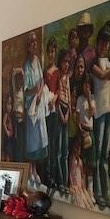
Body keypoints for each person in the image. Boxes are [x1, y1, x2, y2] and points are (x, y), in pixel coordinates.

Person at [91, 20, 110, 209]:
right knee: (98, 154)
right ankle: (98, 192)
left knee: (105, 154)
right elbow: (103, 75)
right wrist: (108, 72)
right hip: (98, 112)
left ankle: (108, 193)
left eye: (107, 43)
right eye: (101, 42)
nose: (104, 46)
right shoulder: (93, 62)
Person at [23, 32, 48, 186]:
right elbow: (26, 90)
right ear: (28, 46)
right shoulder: (26, 65)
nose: (34, 45)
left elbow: (42, 80)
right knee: (32, 140)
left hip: (39, 103)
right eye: (31, 43)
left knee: (39, 138)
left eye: (35, 42)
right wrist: (35, 91)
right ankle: (31, 170)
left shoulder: (37, 61)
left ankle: (35, 170)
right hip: (31, 106)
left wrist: (40, 94)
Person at [76, 76, 96, 202]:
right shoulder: (79, 99)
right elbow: (78, 117)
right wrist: (81, 130)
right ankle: (82, 186)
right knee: (82, 160)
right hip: (82, 131)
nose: (86, 87)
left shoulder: (92, 98)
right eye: (85, 85)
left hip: (90, 131)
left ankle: (90, 189)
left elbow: (93, 113)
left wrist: (89, 97)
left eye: (88, 85)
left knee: (91, 161)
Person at [44, 36, 59, 187]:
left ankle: (53, 175)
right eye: (49, 52)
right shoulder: (44, 72)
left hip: (54, 112)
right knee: (47, 143)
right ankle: (47, 175)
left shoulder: (57, 71)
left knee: (53, 144)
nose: (50, 55)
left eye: (52, 52)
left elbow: (60, 88)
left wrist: (54, 99)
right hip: (46, 112)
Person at [56, 49, 71, 193]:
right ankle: (60, 181)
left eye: (68, 62)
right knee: (59, 150)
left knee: (65, 151)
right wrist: (62, 115)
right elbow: (58, 99)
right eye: (64, 61)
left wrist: (69, 114)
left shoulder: (67, 78)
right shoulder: (58, 76)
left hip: (67, 112)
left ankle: (66, 182)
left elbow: (69, 98)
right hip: (60, 112)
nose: (66, 64)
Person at [69, 136, 95, 210]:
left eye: (79, 149)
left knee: (85, 198)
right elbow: (71, 174)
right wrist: (71, 184)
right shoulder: (72, 159)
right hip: (75, 185)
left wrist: (83, 186)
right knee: (79, 199)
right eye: (76, 148)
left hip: (80, 186)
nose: (77, 151)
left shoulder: (80, 161)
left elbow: (82, 175)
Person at [11, 68, 25, 162]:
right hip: (17, 118)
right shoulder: (15, 90)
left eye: (21, 81)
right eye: (18, 80)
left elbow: (23, 74)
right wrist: (16, 71)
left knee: (22, 142)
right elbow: (13, 76)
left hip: (23, 119)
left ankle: (21, 160)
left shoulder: (23, 91)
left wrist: (21, 71)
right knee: (17, 142)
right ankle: (17, 160)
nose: (20, 82)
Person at [2, 93, 15, 161]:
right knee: (7, 150)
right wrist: (6, 131)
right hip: (8, 135)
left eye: (11, 104)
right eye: (8, 104)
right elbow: (4, 123)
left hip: (11, 135)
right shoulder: (6, 114)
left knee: (11, 150)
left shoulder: (11, 115)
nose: (9, 106)